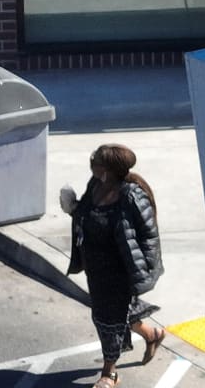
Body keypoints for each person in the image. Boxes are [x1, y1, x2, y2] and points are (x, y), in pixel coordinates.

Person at [62, 144, 165, 388]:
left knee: (106, 319)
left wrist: (144, 273)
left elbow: (149, 236)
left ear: (107, 169)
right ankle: (152, 335)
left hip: (120, 271)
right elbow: (87, 214)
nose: (91, 163)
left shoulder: (131, 196)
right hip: (96, 268)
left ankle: (109, 372)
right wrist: (73, 208)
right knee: (117, 315)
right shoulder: (95, 185)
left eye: (95, 160)